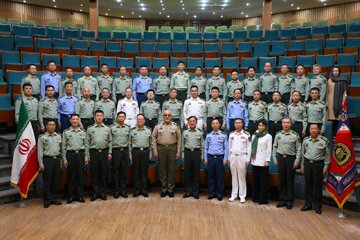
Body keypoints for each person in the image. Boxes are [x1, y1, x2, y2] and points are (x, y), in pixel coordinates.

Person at [300, 123, 330, 214]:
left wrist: (325, 167)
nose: (313, 130)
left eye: (315, 129)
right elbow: (302, 154)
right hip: (307, 164)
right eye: (311, 128)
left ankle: (317, 206)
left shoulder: (324, 141)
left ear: (318, 130)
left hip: (318, 165)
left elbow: (327, 155)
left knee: (317, 186)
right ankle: (308, 204)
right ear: (309, 130)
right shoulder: (305, 140)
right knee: (308, 185)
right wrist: (302, 166)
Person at [273, 117, 301, 209]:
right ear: (282, 124)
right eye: (284, 123)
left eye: (288, 123)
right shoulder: (278, 135)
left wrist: (297, 161)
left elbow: (299, 150)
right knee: (281, 180)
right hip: (280, 158)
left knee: (289, 180)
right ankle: (281, 200)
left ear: (291, 124)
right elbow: (274, 147)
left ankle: (289, 200)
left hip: (291, 159)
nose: (286, 124)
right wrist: (275, 159)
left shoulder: (295, 135)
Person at [152, 110, 182, 198]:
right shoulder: (158, 126)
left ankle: (170, 189)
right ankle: (164, 189)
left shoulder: (175, 126)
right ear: (163, 116)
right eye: (165, 115)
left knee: (172, 170)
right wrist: (155, 151)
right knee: (162, 170)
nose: (167, 117)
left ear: (171, 116)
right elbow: (153, 138)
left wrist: (178, 151)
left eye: (169, 115)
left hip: (172, 149)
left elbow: (179, 139)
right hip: (161, 149)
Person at [86, 110, 112, 201]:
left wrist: (109, 152)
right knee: (95, 173)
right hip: (94, 153)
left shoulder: (107, 128)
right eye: (97, 116)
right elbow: (87, 143)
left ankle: (102, 193)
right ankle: (95, 193)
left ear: (103, 117)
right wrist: (87, 155)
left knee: (103, 173)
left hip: (104, 152)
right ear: (94, 117)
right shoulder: (90, 129)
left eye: (101, 116)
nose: (99, 117)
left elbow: (110, 142)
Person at [62, 114, 87, 204]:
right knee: (71, 176)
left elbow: (86, 145)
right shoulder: (66, 132)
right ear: (70, 120)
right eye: (73, 119)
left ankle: (80, 195)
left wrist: (86, 156)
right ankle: (71, 196)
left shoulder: (83, 132)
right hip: (70, 155)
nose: (75, 121)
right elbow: (63, 146)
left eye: (76, 119)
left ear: (79, 120)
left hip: (80, 154)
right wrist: (64, 158)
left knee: (80, 176)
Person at [37, 120, 62, 208]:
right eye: (49, 125)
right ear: (46, 126)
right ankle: (47, 200)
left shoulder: (59, 136)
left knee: (55, 180)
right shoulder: (42, 137)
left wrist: (61, 160)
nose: (51, 126)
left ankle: (54, 198)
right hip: (47, 160)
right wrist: (41, 163)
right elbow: (39, 152)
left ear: (55, 126)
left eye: (53, 125)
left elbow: (61, 150)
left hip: (57, 160)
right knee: (47, 180)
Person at [204, 119, 228, 201]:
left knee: (220, 176)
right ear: (211, 125)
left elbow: (226, 148)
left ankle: (219, 193)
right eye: (213, 123)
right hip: (210, 157)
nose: (215, 125)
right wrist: (205, 157)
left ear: (219, 125)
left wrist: (225, 159)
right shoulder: (208, 135)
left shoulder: (223, 135)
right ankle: (211, 192)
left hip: (219, 158)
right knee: (211, 176)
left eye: (216, 123)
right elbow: (206, 147)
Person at [228, 118, 251, 203]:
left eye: (239, 123)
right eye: (236, 123)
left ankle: (242, 195)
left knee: (241, 177)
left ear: (242, 124)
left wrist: (248, 159)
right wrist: (229, 158)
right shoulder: (231, 135)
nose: (237, 124)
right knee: (233, 176)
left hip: (242, 157)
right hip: (233, 157)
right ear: (234, 124)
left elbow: (249, 148)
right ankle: (234, 195)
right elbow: (229, 146)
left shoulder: (246, 134)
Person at [129, 114, 152, 197]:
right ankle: (137, 190)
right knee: (136, 172)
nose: (139, 121)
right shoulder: (132, 131)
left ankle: (144, 190)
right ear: (136, 120)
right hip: (135, 152)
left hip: (145, 151)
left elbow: (151, 143)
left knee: (144, 172)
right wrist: (130, 154)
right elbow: (129, 143)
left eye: (141, 119)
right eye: (138, 119)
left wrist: (150, 153)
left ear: (144, 121)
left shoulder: (148, 130)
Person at [250, 119, 272, 204]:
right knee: (255, 180)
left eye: (262, 125)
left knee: (263, 181)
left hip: (263, 161)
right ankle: (255, 197)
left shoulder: (268, 136)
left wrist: (267, 160)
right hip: (255, 160)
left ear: (265, 126)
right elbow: (251, 148)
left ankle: (263, 199)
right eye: (259, 125)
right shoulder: (254, 135)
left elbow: (269, 149)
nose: (260, 127)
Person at [182, 116, 203, 199]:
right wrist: (183, 154)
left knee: (196, 173)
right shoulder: (185, 132)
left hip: (196, 153)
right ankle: (188, 191)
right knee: (188, 172)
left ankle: (195, 192)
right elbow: (183, 144)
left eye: (193, 121)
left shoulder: (200, 132)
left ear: (196, 122)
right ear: (188, 123)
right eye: (190, 121)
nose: (192, 122)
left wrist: (202, 155)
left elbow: (202, 145)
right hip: (187, 152)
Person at [110, 111, 130, 199]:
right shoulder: (112, 128)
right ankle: (116, 191)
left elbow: (129, 142)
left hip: (125, 151)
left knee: (123, 172)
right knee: (115, 172)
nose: (121, 118)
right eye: (120, 117)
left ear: (125, 118)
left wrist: (129, 154)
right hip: (116, 151)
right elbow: (110, 141)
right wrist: (110, 152)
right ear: (117, 118)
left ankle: (123, 190)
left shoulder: (128, 128)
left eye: (123, 117)